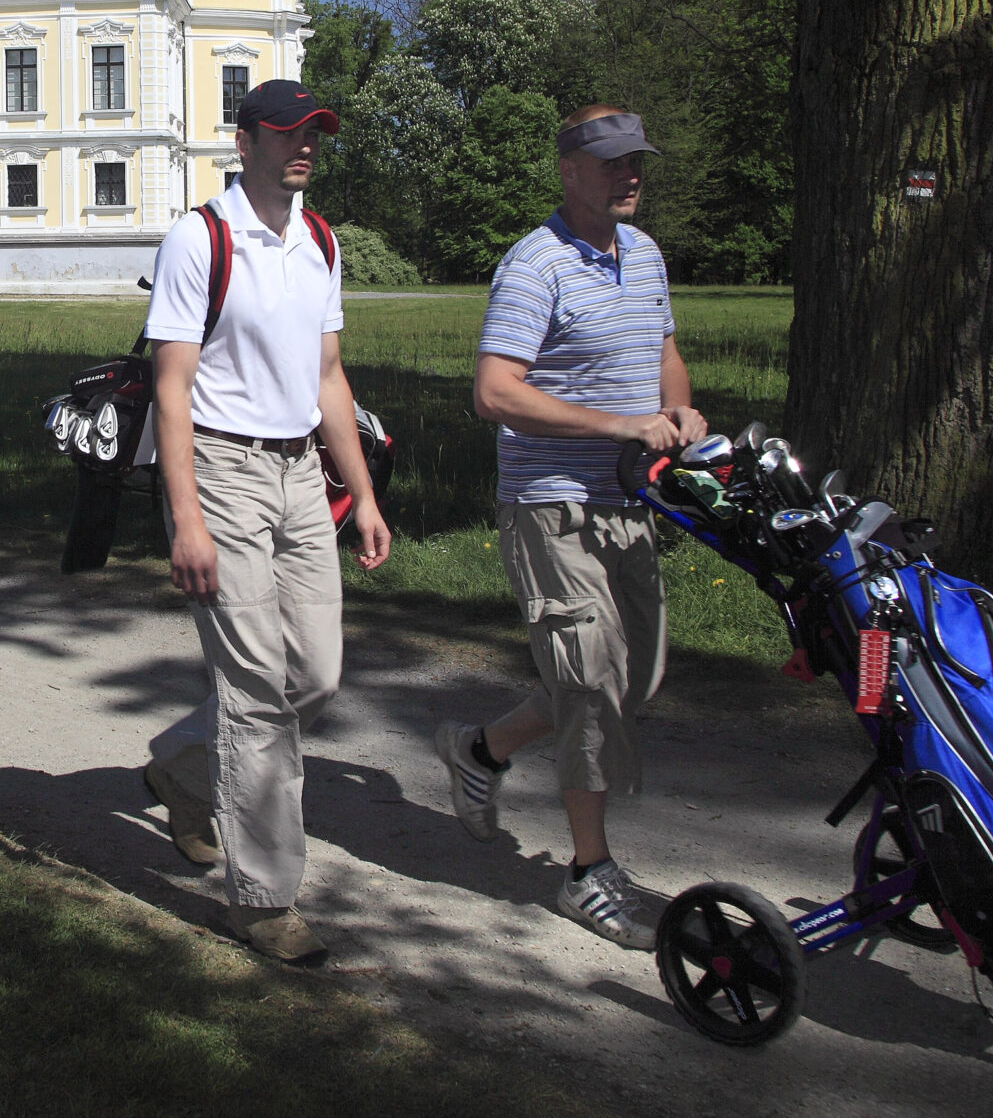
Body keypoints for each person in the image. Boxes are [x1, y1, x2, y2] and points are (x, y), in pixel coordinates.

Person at [436, 104, 706, 951]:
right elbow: (495, 393)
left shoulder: (646, 253)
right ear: (569, 171)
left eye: (637, 161)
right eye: (611, 162)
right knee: (591, 682)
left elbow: (663, 349)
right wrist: (617, 425)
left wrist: (676, 407)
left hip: (632, 505)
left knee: (635, 679)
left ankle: (481, 750)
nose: (629, 174)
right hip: (552, 504)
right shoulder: (536, 265)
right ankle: (589, 872)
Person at [140, 79, 393, 967]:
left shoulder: (318, 240)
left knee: (314, 677)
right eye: (288, 131)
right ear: (243, 141)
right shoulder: (200, 237)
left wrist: (360, 492)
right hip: (222, 468)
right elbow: (172, 386)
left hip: (298, 472)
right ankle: (264, 897)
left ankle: (178, 764)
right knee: (254, 692)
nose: (306, 145)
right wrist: (187, 519)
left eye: (315, 131)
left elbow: (329, 377)